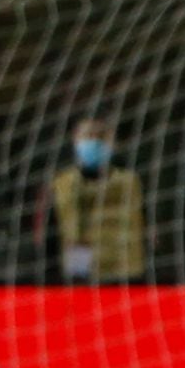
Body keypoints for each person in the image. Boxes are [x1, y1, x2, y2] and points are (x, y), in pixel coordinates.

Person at [42, 113, 146, 284]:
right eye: (88, 135)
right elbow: (50, 238)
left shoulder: (131, 184)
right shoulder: (61, 185)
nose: (94, 141)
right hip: (79, 279)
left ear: (113, 142)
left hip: (127, 277)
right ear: (75, 141)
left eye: (101, 136)